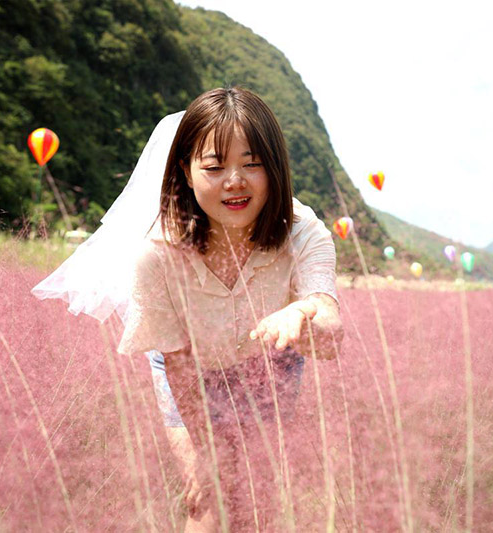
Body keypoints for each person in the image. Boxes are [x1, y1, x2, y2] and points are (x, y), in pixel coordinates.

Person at [33, 86, 343, 532]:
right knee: (205, 495)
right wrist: (206, 451)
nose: (234, 181)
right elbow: (176, 361)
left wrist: (305, 314)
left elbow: (332, 334)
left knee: (257, 494)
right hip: (191, 370)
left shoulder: (303, 233)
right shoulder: (156, 253)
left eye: (252, 164)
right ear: (186, 169)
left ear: (276, 168)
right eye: (215, 167)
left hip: (270, 369)